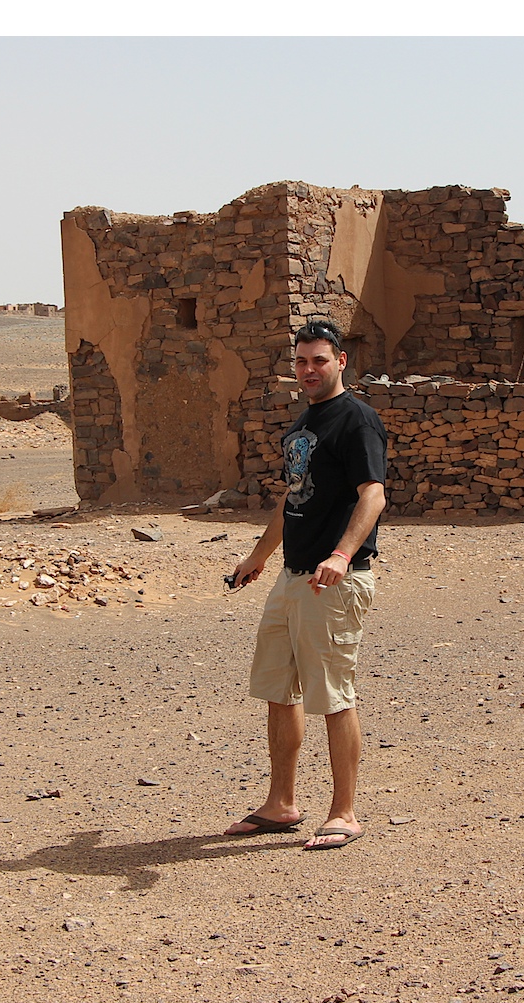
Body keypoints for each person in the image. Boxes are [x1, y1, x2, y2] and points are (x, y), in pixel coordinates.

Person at [223, 317, 388, 850]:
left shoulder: (357, 420)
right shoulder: (302, 424)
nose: (309, 369)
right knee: (277, 691)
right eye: (301, 361)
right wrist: (257, 557)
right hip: (293, 579)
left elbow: (373, 494)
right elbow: (293, 497)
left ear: (341, 361)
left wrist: (342, 554)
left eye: (319, 360)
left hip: (333, 582)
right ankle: (281, 803)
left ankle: (344, 812)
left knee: (334, 697)